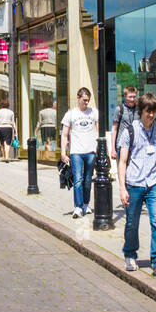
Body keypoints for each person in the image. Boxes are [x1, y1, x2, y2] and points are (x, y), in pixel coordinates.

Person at [118, 92, 156, 277]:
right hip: (134, 183)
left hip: (154, 183)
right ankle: (130, 254)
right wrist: (122, 188)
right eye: (148, 111)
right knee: (132, 223)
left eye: (154, 111)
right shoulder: (130, 131)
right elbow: (122, 161)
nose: (151, 115)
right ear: (141, 110)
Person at [60, 87, 99, 218]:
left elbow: (98, 131)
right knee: (78, 180)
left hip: (90, 151)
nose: (86, 103)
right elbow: (64, 135)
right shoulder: (70, 114)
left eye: (88, 100)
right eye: (84, 100)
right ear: (78, 98)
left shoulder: (94, 112)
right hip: (76, 152)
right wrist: (63, 152)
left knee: (88, 180)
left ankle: (86, 205)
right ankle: (77, 207)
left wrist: (98, 147)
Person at [111, 84, 139, 165]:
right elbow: (114, 129)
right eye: (130, 97)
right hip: (121, 145)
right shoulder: (119, 109)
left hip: (135, 145)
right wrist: (113, 149)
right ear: (125, 96)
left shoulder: (139, 109)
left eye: (134, 97)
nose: (132, 99)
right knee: (122, 171)